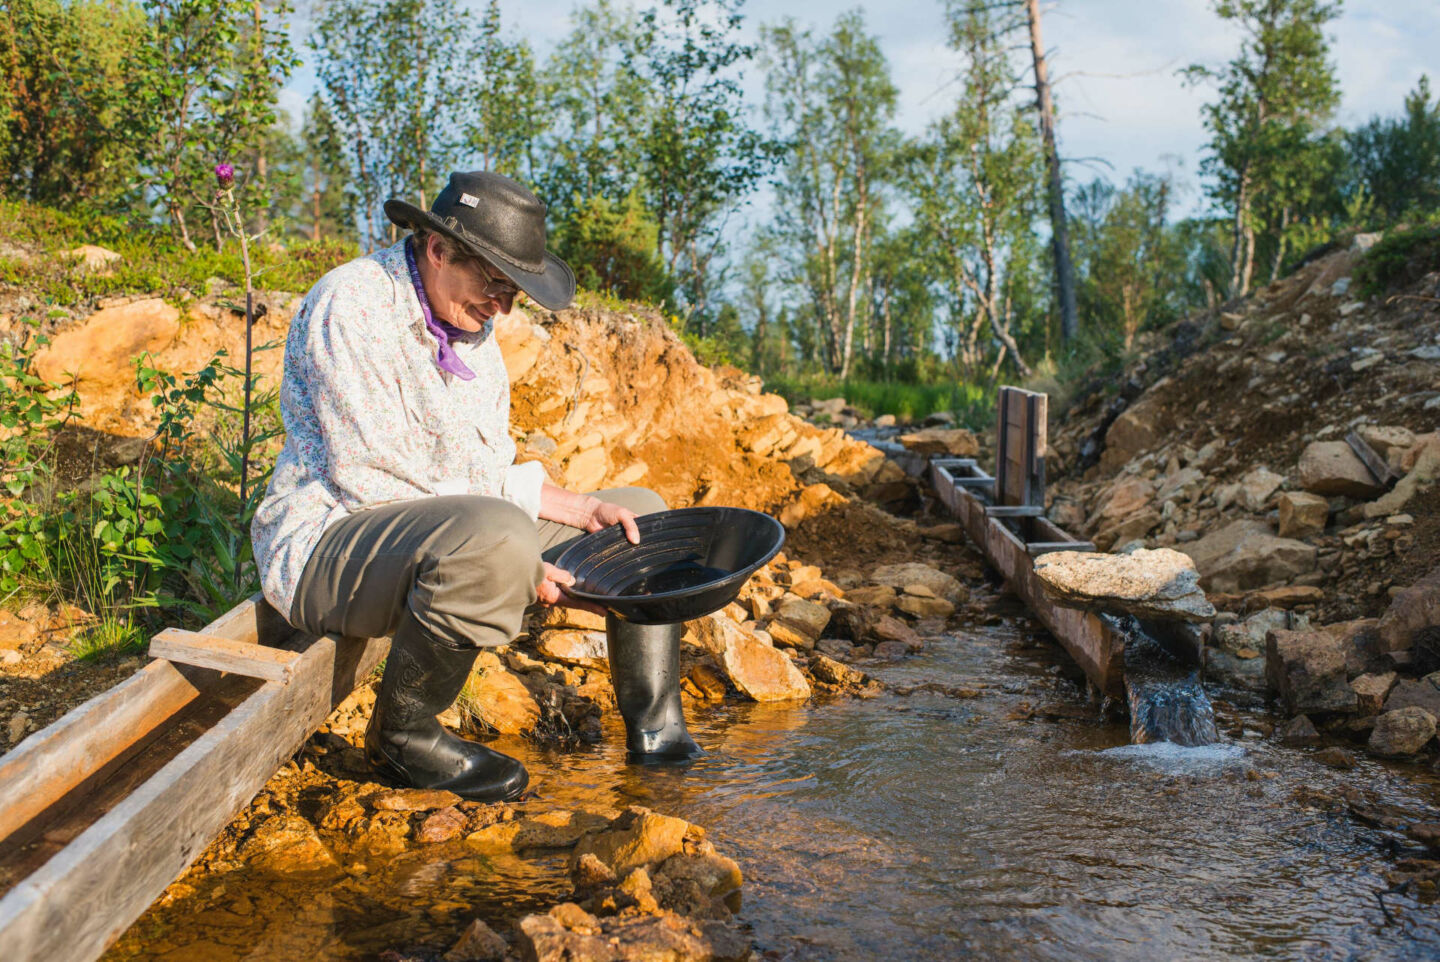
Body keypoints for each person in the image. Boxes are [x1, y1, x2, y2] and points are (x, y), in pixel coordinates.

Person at [252, 171, 699, 804]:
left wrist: (580, 507)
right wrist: (525, 564)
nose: (503, 307)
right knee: (499, 538)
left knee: (640, 517)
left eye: (514, 292)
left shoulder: (469, 328)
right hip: (330, 547)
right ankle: (402, 736)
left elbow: (477, 472)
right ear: (437, 249)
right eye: (495, 283)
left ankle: (655, 726)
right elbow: (373, 479)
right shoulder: (352, 305)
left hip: (443, 541)